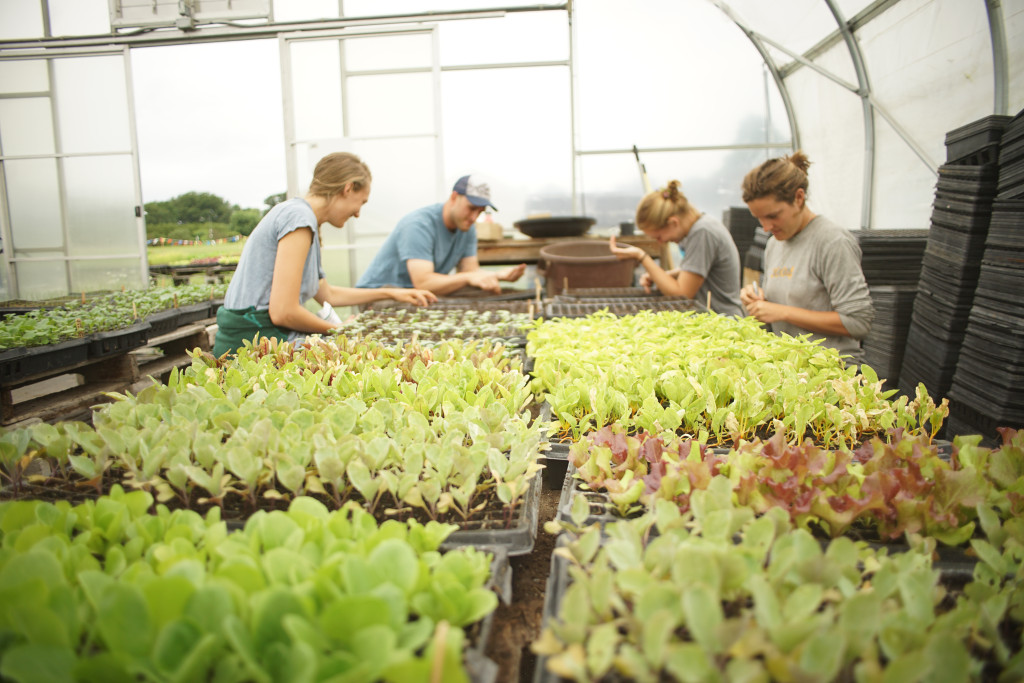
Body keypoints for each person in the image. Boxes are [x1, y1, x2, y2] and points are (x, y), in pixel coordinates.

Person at [212, 152, 436, 357]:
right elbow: (283, 312)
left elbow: (328, 295)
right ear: (348, 189)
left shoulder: (305, 219)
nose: (358, 214)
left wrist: (391, 293)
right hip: (250, 345)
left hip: (267, 336)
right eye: (361, 202)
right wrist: (342, 330)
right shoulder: (298, 218)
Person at [738, 150, 874, 366]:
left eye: (773, 216)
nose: (765, 228)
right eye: (759, 218)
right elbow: (783, 304)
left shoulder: (832, 241)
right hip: (792, 371)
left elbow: (858, 322)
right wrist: (759, 301)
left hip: (832, 372)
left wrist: (782, 312)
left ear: (798, 198)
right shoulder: (774, 244)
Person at [355, 175, 526, 295]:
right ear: (454, 197)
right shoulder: (419, 225)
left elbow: (470, 272)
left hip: (413, 293)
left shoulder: (467, 227)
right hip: (380, 293)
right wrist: (470, 277)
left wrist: (497, 275)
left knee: (475, 292)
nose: (474, 217)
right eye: (471, 208)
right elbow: (424, 283)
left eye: (480, 212)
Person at [608, 180, 744, 317]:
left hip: (725, 322)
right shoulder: (699, 228)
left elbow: (682, 294)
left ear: (673, 222)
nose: (661, 242)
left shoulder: (702, 233)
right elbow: (697, 268)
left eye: (659, 236)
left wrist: (641, 256)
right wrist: (662, 276)